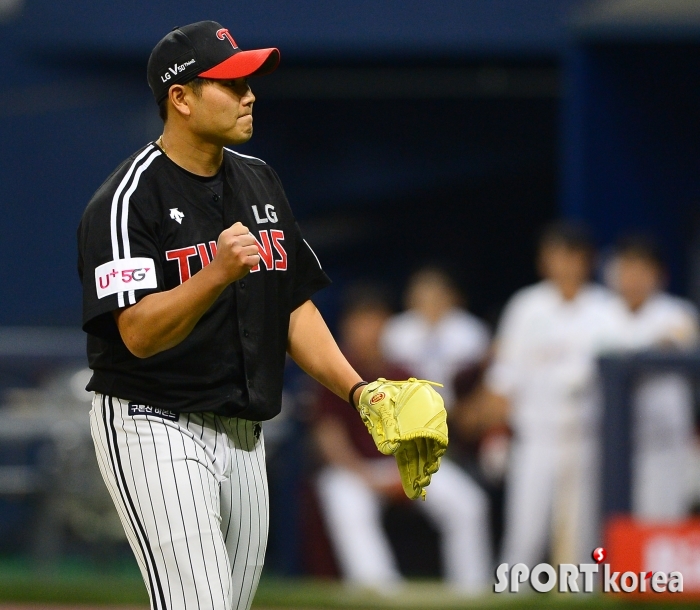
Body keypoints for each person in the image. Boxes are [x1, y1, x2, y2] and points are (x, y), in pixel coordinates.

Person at [77, 21, 378, 610]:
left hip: (242, 432)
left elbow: (291, 304)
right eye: (231, 83)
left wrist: (359, 392)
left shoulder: (259, 179)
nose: (250, 95)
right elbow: (136, 333)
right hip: (152, 419)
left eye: (249, 82)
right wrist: (212, 274)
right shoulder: (127, 200)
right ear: (181, 98)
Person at [312, 288, 492, 592]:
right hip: (356, 471)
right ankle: (378, 589)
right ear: (347, 328)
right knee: (341, 496)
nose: (368, 331)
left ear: (386, 325)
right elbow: (329, 439)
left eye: (375, 322)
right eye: (361, 323)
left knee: (468, 503)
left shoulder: (403, 372)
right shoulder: (335, 373)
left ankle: (471, 590)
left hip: (406, 465)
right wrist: (364, 476)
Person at [483, 222, 627, 568]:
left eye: (570, 256)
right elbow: (504, 377)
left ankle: (581, 598)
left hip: (586, 438)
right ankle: (511, 597)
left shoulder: (607, 310)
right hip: (536, 438)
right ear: (544, 261)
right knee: (525, 534)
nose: (562, 264)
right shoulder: (526, 306)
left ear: (586, 260)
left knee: (582, 538)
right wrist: (497, 433)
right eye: (554, 256)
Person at [606, 235, 699, 520]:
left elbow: (675, 340)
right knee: (610, 530)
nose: (633, 278)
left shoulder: (676, 312)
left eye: (641, 269)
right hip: (612, 444)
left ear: (658, 275)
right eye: (626, 268)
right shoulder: (600, 313)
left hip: (664, 442)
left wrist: (634, 353)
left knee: (662, 524)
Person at [381, 267, 490, 407]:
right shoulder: (396, 330)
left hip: (462, 408)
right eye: (423, 295)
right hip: (409, 408)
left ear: (452, 296)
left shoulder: (471, 330)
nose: (430, 301)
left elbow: (484, 377)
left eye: (436, 295)